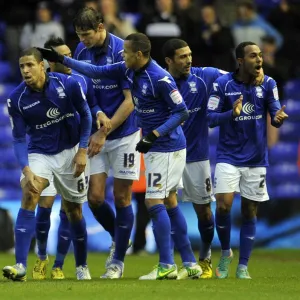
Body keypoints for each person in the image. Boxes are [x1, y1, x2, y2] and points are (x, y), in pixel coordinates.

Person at [38, 32, 202, 280]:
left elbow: (181, 112)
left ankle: (167, 264)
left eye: (125, 52)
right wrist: (63, 59)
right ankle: (190, 262)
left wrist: (154, 134)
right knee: (168, 201)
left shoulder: (160, 78)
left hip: (165, 145)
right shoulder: (129, 69)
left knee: (154, 202)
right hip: (157, 146)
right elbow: (97, 73)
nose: (121, 55)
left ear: (138, 54)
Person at [3, 47, 93, 281]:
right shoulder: (16, 99)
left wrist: (83, 150)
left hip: (72, 151)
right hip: (40, 153)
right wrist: (26, 168)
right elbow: (19, 138)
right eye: (22, 66)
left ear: (42, 65)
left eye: (30, 65)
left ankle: (82, 265)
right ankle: (21, 265)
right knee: (31, 192)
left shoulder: (68, 85)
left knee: (74, 211)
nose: (25, 70)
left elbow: (86, 115)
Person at [207, 41, 288, 279]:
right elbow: (210, 119)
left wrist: (278, 118)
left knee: (249, 211)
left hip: (255, 158)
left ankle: (243, 266)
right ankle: (225, 252)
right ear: (240, 61)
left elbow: (274, 114)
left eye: (260, 55)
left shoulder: (269, 83)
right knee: (222, 205)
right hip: (228, 156)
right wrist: (230, 113)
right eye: (253, 56)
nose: (259, 59)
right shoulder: (222, 84)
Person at [32, 36, 109, 280]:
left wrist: (96, 116)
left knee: (70, 210)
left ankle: (63, 265)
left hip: (74, 149)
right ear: (49, 61)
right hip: (46, 151)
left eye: (70, 55)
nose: (69, 60)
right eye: (62, 56)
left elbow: (92, 105)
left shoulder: (81, 80)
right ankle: (43, 260)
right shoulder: (40, 87)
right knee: (44, 208)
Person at [72, 7, 141, 278]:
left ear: (101, 27)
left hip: (125, 134)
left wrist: (103, 131)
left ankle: (117, 263)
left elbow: (130, 100)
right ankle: (120, 237)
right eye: (79, 35)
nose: (83, 40)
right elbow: (86, 92)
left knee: (122, 197)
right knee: (95, 198)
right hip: (99, 128)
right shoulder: (80, 51)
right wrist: (98, 114)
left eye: (87, 34)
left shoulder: (121, 52)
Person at [162, 38, 226, 279]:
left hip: (196, 157)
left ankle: (205, 257)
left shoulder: (204, 76)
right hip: (167, 154)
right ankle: (170, 262)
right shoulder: (160, 81)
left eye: (190, 54)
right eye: (182, 56)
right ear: (169, 61)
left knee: (204, 212)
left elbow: (234, 80)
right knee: (165, 208)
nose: (188, 59)